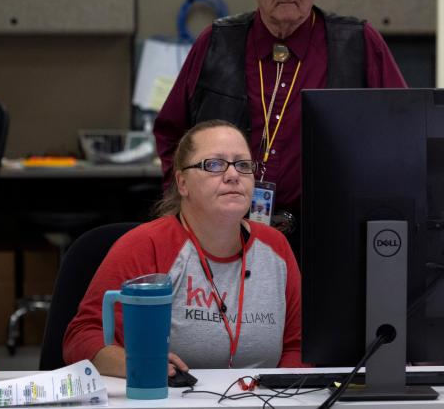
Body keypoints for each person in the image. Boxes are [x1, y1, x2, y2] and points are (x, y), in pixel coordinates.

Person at [153, 0, 407, 250]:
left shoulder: (358, 44)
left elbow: (402, 135)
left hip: (332, 237)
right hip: (225, 233)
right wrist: (185, 206)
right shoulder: (215, 44)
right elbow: (172, 134)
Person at [64, 120, 303, 377]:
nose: (233, 175)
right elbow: (83, 336)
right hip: (169, 399)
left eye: (243, 165)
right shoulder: (146, 245)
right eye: (214, 164)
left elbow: (297, 346)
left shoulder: (276, 247)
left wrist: (283, 394)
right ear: (182, 183)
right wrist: (137, 363)